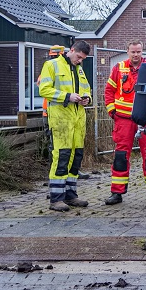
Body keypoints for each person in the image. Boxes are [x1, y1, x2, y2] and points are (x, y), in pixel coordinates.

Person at [103, 40, 146, 205]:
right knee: (121, 156)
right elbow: (109, 91)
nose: (136, 55)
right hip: (123, 120)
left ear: (142, 52)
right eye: (133, 52)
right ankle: (117, 193)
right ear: (127, 52)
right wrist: (112, 111)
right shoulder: (118, 68)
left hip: (145, 119)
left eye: (138, 52)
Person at [38, 40, 93, 212]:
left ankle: (70, 195)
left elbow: (87, 90)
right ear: (71, 51)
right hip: (60, 120)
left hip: (77, 121)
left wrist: (86, 99)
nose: (80, 60)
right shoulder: (52, 65)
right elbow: (44, 90)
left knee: (75, 158)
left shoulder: (79, 69)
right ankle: (56, 198)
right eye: (78, 57)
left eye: (83, 58)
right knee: (61, 157)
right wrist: (67, 96)